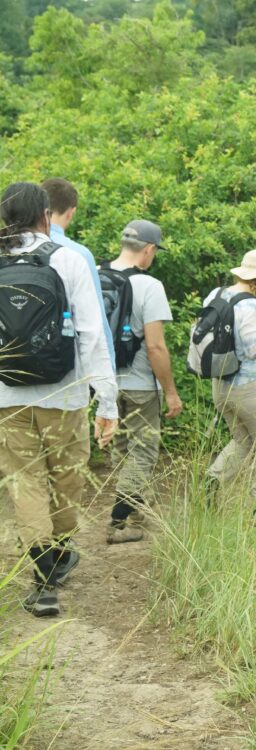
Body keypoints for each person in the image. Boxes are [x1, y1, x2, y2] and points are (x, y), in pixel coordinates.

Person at [0, 182, 118, 617]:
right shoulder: (67, 258)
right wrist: (107, 401)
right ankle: (58, 556)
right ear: (45, 215)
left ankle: (43, 582)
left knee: (25, 482)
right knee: (66, 479)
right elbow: (90, 333)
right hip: (64, 394)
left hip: (7, 396)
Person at [104, 220, 183, 544]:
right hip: (139, 384)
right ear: (148, 250)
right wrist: (171, 392)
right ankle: (118, 521)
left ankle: (137, 512)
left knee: (122, 448)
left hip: (105, 381)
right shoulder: (149, 287)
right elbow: (155, 346)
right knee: (144, 451)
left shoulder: (97, 275)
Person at [204, 250, 256, 504]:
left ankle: (212, 482)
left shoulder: (216, 295)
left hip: (220, 385)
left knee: (242, 440)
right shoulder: (250, 305)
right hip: (251, 388)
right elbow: (252, 349)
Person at [41, 177, 114, 368]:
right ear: (71, 212)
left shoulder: (13, 249)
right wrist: (108, 371)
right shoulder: (79, 254)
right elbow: (96, 319)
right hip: (66, 367)